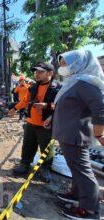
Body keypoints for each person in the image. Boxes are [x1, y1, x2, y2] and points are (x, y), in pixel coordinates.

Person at [49, 50, 104, 219]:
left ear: (79, 64)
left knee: (83, 171)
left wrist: (99, 134)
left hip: (75, 135)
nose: (62, 67)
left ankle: (90, 209)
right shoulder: (74, 82)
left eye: (65, 63)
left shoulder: (86, 84)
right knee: (77, 169)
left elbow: (100, 109)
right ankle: (75, 194)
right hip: (68, 134)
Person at [9, 62, 60, 182]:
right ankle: (24, 164)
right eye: (36, 72)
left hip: (46, 124)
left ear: (50, 73)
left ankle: (45, 168)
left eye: (40, 72)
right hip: (31, 122)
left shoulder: (57, 88)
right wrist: (15, 108)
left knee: (46, 148)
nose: (36, 74)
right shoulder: (32, 87)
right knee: (28, 145)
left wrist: (46, 105)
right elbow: (25, 101)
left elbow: (61, 105)